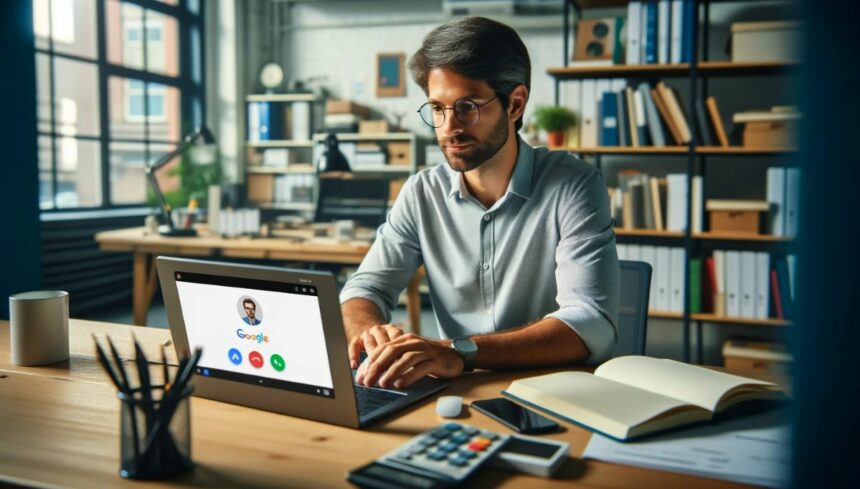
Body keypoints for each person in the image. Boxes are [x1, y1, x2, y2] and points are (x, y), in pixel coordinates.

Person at [340, 17, 618, 389]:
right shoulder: (421, 192)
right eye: (437, 109)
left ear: (515, 104)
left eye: (467, 106)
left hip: (554, 392)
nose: (449, 127)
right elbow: (363, 290)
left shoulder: (574, 184)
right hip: (457, 392)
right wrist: (371, 333)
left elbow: (591, 323)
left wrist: (459, 352)